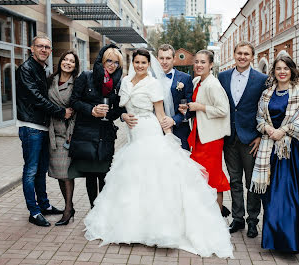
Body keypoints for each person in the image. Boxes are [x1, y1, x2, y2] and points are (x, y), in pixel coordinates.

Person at [83, 49, 233, 258]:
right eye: (137, 62)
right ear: (132, 62)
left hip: (150, 131)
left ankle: (156, 227)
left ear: (148, 64)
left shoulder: (153, 83)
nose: (140, 65)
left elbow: (160, 113)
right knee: (133, 179)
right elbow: (120, 108)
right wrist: (124, 115)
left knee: (153, 178)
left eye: (144, 62)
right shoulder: (125, 81)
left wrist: (169, 136)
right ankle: (132, 224)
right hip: (133, 134)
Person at [251, 55, 299, 253]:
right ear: (274, 72)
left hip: (289, 152)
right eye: (278, 69)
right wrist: (268, 129)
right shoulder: (267, 93)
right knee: (270, 197)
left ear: (292, 70)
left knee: (288, 197)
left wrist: (282, 131)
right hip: (269, 152)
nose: (282, 72)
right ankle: (272, 241)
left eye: (286, 68)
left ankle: (288, 242)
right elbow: (259, 117)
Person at [16, 35, 72, 227]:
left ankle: (44, 205)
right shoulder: (26, 69)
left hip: (42, 127)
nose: (44, 49)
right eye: (40, 46)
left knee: (40, 171)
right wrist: (61, 111)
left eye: (47, 47)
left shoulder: (41, 69)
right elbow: (36, 98)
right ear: (31, 48)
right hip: (31, 127)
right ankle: (34, 212)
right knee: (31, 171)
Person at [218, 41, 267, 237]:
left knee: (252, 183)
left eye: (246, 54)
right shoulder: (222, 77)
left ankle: (253, 220)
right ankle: (238, 219)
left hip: (250, 139)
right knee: (234, 181)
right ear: (234, 54)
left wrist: (261, 136)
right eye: (239, 53)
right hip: (229, 137)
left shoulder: (262, 79)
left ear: (252, 57)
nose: (242, 57)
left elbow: (267, 109)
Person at [68, 44, 124, 209]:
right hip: (86, 133)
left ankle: (103, 211)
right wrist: (91, 110)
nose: (112, 65)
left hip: (105, 134)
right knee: (91, 175)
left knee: (105, 175)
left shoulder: (118, 83)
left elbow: (119, 109)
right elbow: (74, 101)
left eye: (116, 62)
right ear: (102, 61)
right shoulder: (86, 76)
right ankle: (94, 209)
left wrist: (109, 114)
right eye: (109, 61)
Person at [180, 50, 230, 213]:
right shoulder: (197, 81)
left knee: (213, 177)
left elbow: (223, 110)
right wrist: (187, 108)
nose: (199, 65)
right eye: (197, 62)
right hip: (200, 136)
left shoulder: (213, 84)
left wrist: (200, 107)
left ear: (210, 65)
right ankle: (204, 214)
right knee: (200, 177)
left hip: (211, 139)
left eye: (203, 62)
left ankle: (217, 214)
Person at [47, 50, 80, 226]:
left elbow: (76, 111)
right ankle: (69, 205)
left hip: (67, 132)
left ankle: (68, 208)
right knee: (59, 173)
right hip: (52, 131)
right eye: (65, 59)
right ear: (60, 61)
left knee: (66, 173)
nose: (67, 63)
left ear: (75, 66)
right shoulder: (49, 80)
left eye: (71, 61)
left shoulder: (76, 83)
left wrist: (71, 134)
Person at [156, 44, 193, 150]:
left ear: (174, 59)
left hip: (180, 132)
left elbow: (190, 108)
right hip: (156, 132)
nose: (164, 61)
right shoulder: (150, 79)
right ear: (157, 59)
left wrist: (174, 120)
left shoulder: (185, 78)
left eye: (168, 58)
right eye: (161, 58)